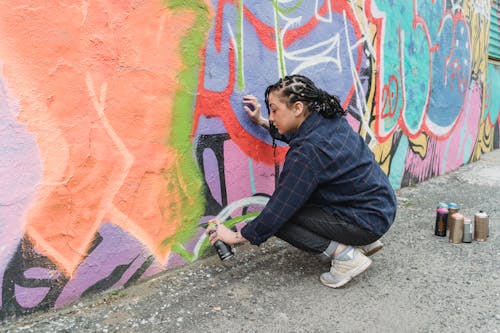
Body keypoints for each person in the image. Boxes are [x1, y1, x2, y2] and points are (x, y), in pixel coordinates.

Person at [205, 74, 397, 288]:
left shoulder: (307, 152)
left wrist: (235, 237)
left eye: (275, 110)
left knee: (281, 219)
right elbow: (298, 135)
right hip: (381, 208)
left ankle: (346, 257)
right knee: (300, 199)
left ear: (297, 108)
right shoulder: (328, 121)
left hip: (366, 220)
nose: (272, 116)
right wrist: (262, 122)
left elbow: (277, 211)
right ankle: (364, 241)